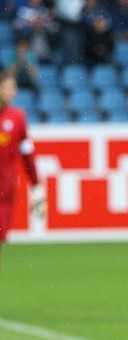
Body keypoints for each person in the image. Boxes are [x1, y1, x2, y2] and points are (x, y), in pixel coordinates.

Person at [0, 70, 45, 268]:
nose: (14, 92)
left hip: (4, 195)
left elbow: (27, 154)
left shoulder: (17, 117)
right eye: (10, 87)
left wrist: (36, 187)